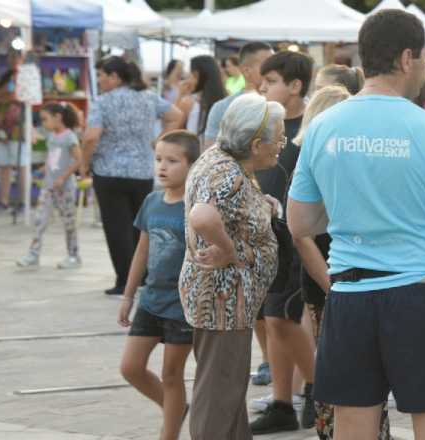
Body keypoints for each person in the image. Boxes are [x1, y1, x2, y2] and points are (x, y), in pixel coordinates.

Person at [288, 10, 425, 439]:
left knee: (354, 427)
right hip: (421, 298)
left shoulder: (324, 126)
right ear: (406, 58)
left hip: (350, 297)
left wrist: (353, 206)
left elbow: (300, 222)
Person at [290, 85, 394, 440]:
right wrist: (332, 284)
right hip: (331, 284)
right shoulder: (313, 165)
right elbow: (301, 235)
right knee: (338, 373)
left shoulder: (337, 163)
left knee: (356, 372)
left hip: (348, 282)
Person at [180, 94, 285, 440]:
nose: (282, 145)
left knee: (227, 393)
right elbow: (203, 216)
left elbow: (228, 213)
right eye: (279, 138)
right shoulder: (228, 173)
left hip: (225, 302)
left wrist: (263, 207)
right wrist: (228, 250)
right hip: (225, 301)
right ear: (256, 144)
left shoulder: (224, 161)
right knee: (217, 397)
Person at [200, 41, 276, 387]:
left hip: (251, 250)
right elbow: (205, 206)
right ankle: (267, 360)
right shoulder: (224, 112)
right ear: (247, 70)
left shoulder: (273, 108)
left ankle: (271, 361)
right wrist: (229, 249)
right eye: (265, 65)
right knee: (223, 378)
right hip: (229, 272)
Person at [116, 130, 201, 440]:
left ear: (192, 166)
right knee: (130, 367)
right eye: (158, 159)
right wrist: (128, 296)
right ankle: (175, 409)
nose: (162, 167)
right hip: (150, 301)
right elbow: (142, 251)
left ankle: (170, 432)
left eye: (173, 161)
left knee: (171, 374)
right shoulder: (152, 201)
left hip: (181, 306)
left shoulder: (196, 208)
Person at [249, 48, 317, 435]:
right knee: (271, 320)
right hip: (267, 238)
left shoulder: (312, 128)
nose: (262, 88)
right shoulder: (265, 125)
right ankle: (283, 400)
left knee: (285, 317)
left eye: (271, 82)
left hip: (298, 240)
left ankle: (314, 388)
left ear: (295, 86)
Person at [82, 56, 184, 296]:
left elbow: (91, 137)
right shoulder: (148, 97)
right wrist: (160, 142)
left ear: (116, 77)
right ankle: (144, 277)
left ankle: (123, 280)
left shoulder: (103, 101)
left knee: (116, 227)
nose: (100, 80)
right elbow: (176, 115)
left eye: (103, 76)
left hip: (108, 171)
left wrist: (83, 163)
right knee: (141, 227)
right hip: (141, 170)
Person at [16, 102, 82, 269]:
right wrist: (45, 169)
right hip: (49, 185)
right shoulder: (52, 137)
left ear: (57, 117)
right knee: (39, 219)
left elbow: (79, 160)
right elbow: (53, 157)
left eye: (45, 119)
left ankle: (73, 255)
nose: (43, 123)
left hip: (65, 188)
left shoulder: (69, 137)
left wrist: (64, 176)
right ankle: (33, 253)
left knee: (68, 222)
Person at [204, 42, 273, 147]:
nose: (274, 70)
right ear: (246, 71)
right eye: (268, 65)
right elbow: (210, 153)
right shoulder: (222, 107)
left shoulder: (280, 103)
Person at [0, 68, 28, 212]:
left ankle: (23, 201)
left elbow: (17, 96)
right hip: (0, 129)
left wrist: (2, 96)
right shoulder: (3, 77)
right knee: (3, 165)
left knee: (21, 165)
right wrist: (5, 95)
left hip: (16, 129)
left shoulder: (25, 77)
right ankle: (3, 200)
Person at [176, 55, 227, 139]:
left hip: (195, 150)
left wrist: (180, 95)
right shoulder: (227, 98)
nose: (187, 79)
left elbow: (173, 129)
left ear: (196, 75)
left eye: (190, 74)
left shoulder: (189, 102)